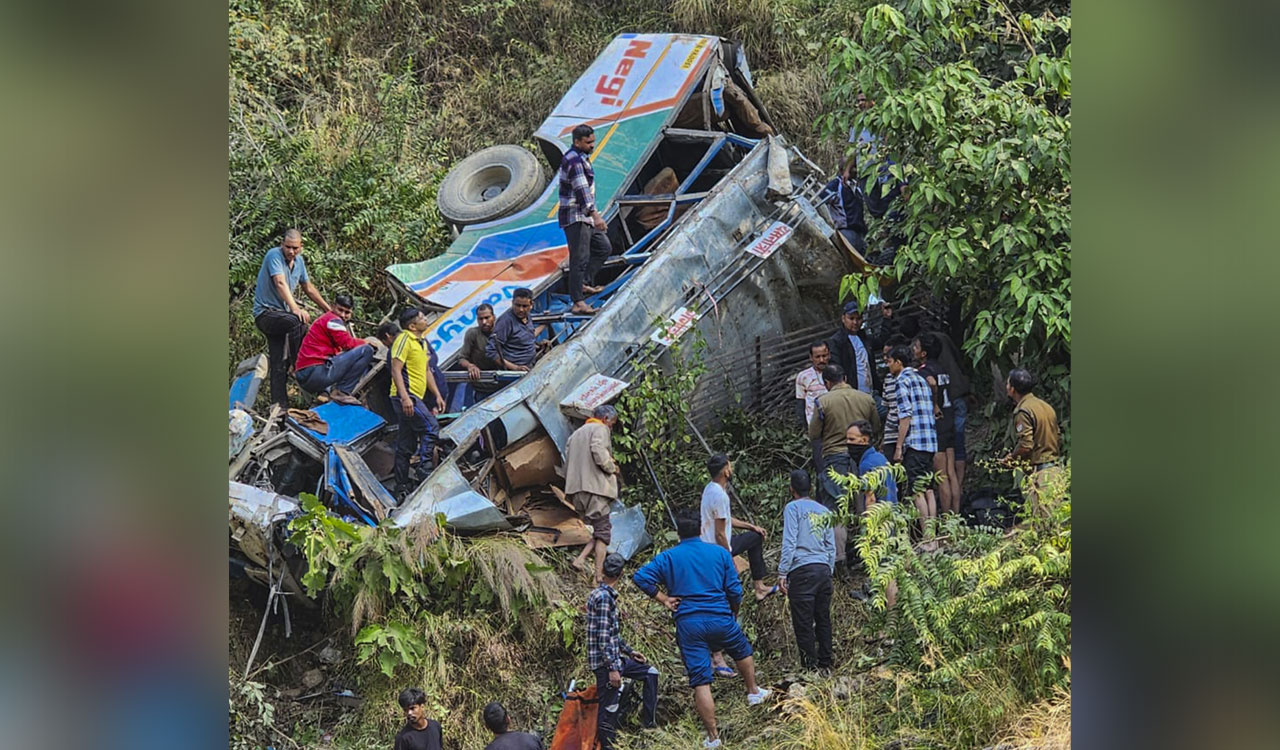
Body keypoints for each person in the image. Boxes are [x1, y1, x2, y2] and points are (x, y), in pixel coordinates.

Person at [631, 510, 772, 749]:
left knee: (700, 680)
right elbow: (735, 590)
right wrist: (733, 611)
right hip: (720, 616)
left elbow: (641, 577)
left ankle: (713, 737)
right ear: (700, 530)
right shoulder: (719, 553)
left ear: (678, 533)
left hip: (689, 624)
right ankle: (753, 691)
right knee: (742, 650)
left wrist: (664, 599)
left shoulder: (668, 557)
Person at [252, 228, 331, 407]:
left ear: (301, 247)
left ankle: (280, 409)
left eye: (295, 248)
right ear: (282, 245)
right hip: (267, 314)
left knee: (278, 363)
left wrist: (328, 310)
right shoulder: (274, 255)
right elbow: (280, 282)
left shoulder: (299, 262)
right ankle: (300, 365)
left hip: (282, 317)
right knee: (298, 322)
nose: (291, 251)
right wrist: (295, 308)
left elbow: (308, 288)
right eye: (288, 247)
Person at [809, 364, 880, 564]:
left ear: (827, 382)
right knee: (866, 505)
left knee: (836, 509)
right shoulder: (866, 399)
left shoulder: (823, 402)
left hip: (834, 458)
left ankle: (839, 558)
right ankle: (870, 553)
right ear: (846, 378)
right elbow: (875, 426)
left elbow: (813, 434)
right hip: (861, 458)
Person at [588, 553, 659, 749]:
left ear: (603, 571)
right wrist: (612, 669)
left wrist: (630, 652)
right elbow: (603, 638)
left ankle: (649, 724)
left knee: (650, 672)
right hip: (606, 664)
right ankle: (607, 746)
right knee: (609, 707)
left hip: (616, 659)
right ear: (622, 574)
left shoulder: (604, 595)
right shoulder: (603, 598)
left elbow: (611, 634)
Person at [777, 470, 835, 672]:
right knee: (822, 618)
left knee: (803, 622)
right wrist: (829, 569)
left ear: (791, 489)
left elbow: (790, 541)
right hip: (822, 569)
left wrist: (783, 572)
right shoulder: (824, 510)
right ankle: (826, 663)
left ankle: (810, 668)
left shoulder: (792, 508)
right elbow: (831, 546)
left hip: (802, 570)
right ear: (810, 488)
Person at [701, 454, 775, 604]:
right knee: (755, 538)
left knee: (754, 535)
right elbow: (720, 534)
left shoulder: (709, 489)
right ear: (725, 472)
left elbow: (725, 518)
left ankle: (759, 587)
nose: (732, 469)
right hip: (717, 547)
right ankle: (759, 587)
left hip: (707, 544)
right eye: (729, 466)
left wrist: (751, 526)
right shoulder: (720, 496)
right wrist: (729, 558)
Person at [390, 308, 447, 498]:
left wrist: (437, 394)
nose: (425, 319)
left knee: (405, 443)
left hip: (414, 396)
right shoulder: (404, 339)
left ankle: (401, 485)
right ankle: (425, 469)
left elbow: (427, 371)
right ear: (412, 326)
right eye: (421, 318)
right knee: (431, 427)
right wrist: (404, 397)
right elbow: (396, 369)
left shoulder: (421, 343)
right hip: (406, 397)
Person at [886, 345, 938, 547]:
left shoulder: (902, 382)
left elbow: (905, 416)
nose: (888, 366)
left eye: (890, 362)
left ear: (899, 362)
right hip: (930, 441)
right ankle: (933, 536)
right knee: (929, 489)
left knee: (917, 491)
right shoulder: (921, 379)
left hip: (915, 441)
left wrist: (899, 446)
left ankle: (927, 538)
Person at [846, 420, 900, 608]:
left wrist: (868, 530)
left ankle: (888, 622)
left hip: (879, 521)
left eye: (852, 439)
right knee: (890, 569)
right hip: (893, 516)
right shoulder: (881, 458)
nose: (848, 444)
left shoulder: (866, 464)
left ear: (864, 440)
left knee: (883, 571)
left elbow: (870, 498)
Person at [559, 124, 611, 315]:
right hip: (577, 216)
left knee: (603, 247)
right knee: (579, 258)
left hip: (585, 217)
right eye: (588, 142)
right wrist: (595, 215)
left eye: (593, 141)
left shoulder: (581, 158)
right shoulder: (574, 161)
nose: (592, 145)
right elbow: (582, 191)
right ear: (577, 142)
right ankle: (578, 302)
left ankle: (582, 284)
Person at [565, 404, 621, 582]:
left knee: (599, 530)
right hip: (595, 489)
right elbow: (598, 450)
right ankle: (599, 576)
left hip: (577, 490)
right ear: (605, 419)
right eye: (611, 424)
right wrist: (611, 467)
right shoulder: (600, 429)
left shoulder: (575, 435)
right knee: (604, 533)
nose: (610, 427)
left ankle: (580, 559)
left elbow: (567, 461)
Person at [292, 293, 375, 405]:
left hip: (306, 373)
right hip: (313, 372)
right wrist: (365, 342)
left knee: (335, 356)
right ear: (332, 306)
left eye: (347, 312)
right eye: (340, 310)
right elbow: (347, 344)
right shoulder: (333, 320)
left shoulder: (326, 319)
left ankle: (326, 392)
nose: (343, 315)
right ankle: (342, 392)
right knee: (366, 350)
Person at [1002, 368, 1062, 513]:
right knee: (1054, 525)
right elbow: (1058, 436)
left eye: (1008, 384)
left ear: (1013, 389)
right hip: (1055, 470)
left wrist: (1011, 458)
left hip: (1040, 474)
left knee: (1042, 524)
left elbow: (1026, 445)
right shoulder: (1045, 406)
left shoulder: (1023, 411)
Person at [913, 333, 960, 515]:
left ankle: (947, 519)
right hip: (949, 422)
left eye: (916, 348)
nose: (914, 351)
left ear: (924, 353)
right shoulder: (942, 369)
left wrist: (933, 404)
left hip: (937, 425)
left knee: (941, 476)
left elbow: (932, 384)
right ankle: (956, 514)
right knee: (951, 472)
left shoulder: (925, 372)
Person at [827, 300, 879, 396]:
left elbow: (881, 342)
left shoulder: (864, 337)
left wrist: (887, 319)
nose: (855, 322)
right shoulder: (837, 341)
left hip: (871, 391)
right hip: (852, 394)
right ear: (843, 318)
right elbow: (837, 368)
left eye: (858, 318)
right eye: (851, 318)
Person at [456, 303, 501, 404]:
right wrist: (470, 366)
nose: (484, 322)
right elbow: (462, 358)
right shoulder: (473, 334)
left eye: (487, 318)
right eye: (480, 319)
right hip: (483, 389)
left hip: (505, 386)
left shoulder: (502, 331)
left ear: (494, 317)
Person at [486, 288, 540, 371]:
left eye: (524, 306)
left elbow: (521, 340)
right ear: (512, 303)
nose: (521, 309)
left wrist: (537, 346)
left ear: (531, 305)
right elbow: (491, 351)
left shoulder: (528, 317)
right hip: (517, 372)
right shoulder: (505, 322)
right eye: (517, 305)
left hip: (531, 365)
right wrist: (515, 368)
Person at [824, 154, 869, 253]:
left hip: (859, 232)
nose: (856, 170)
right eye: (852, 167)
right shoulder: (835, 185)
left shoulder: (856, 187)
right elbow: (821, 203)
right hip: (845, 231)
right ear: (843, 170)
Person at [880, 334, 908, 461]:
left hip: (909, 435)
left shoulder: (911, 379)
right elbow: (887, 407)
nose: (886, 362)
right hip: (891, 434)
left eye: (889, 358)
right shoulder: (888, 379)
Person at [794, 340, 830, 427]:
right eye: (817, 357)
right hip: (814, 426)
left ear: (829, 355)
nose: (821, 360)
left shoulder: (836, 373)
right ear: (811, 357)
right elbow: (800, 403)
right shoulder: (803, 376)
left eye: (824, 356)